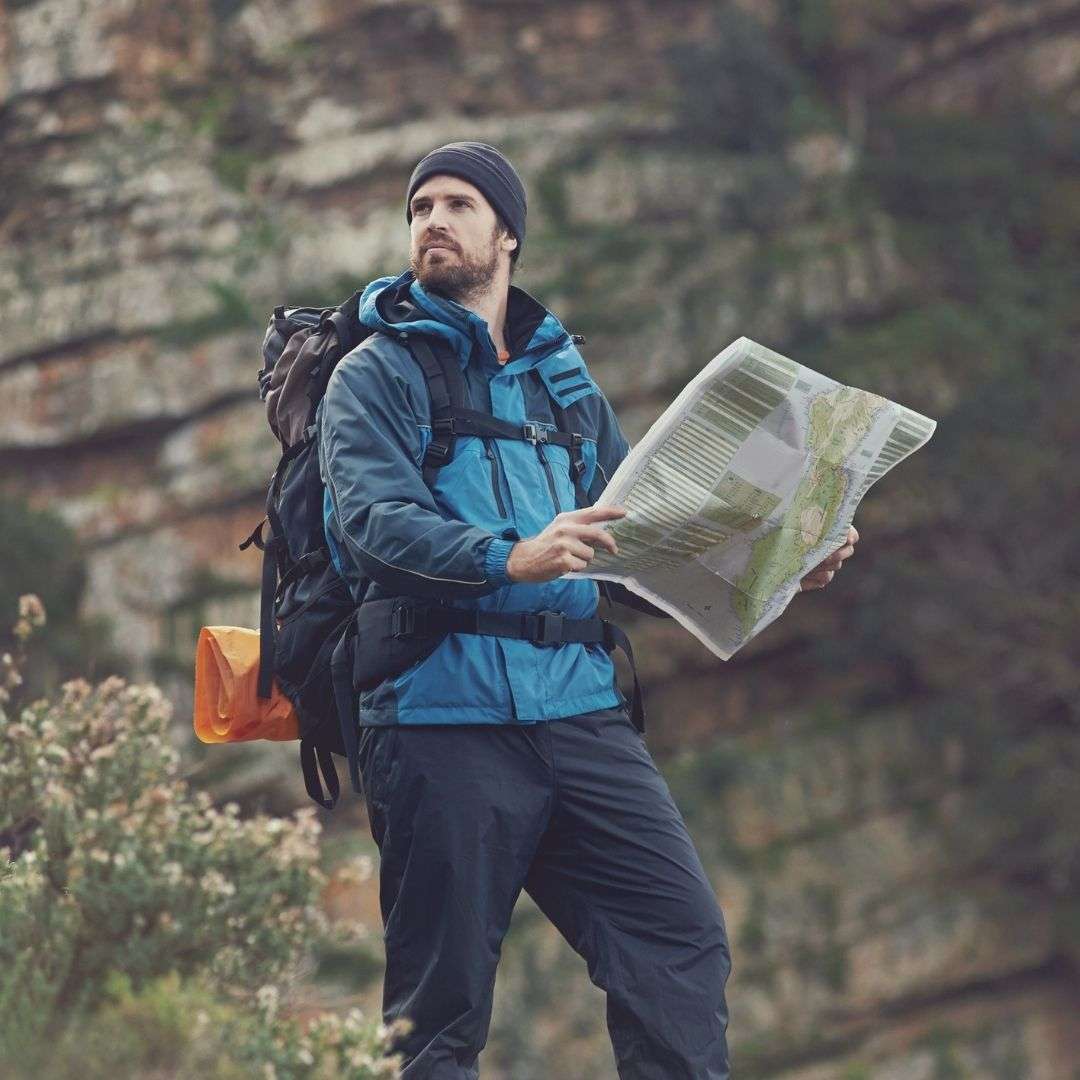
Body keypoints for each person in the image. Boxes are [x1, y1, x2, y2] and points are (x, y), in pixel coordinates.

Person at [317, 142, 857, 1079]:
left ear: (509, 233)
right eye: (420, 208)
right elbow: (372, 526)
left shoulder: (562, 383)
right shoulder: (374, 375)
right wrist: (508, 556)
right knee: (437, 1020)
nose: (433, 221)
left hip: (578, 715)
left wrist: (782, 564)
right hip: (440, 721)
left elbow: (636, 547)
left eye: (459, 204)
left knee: (680, 946)